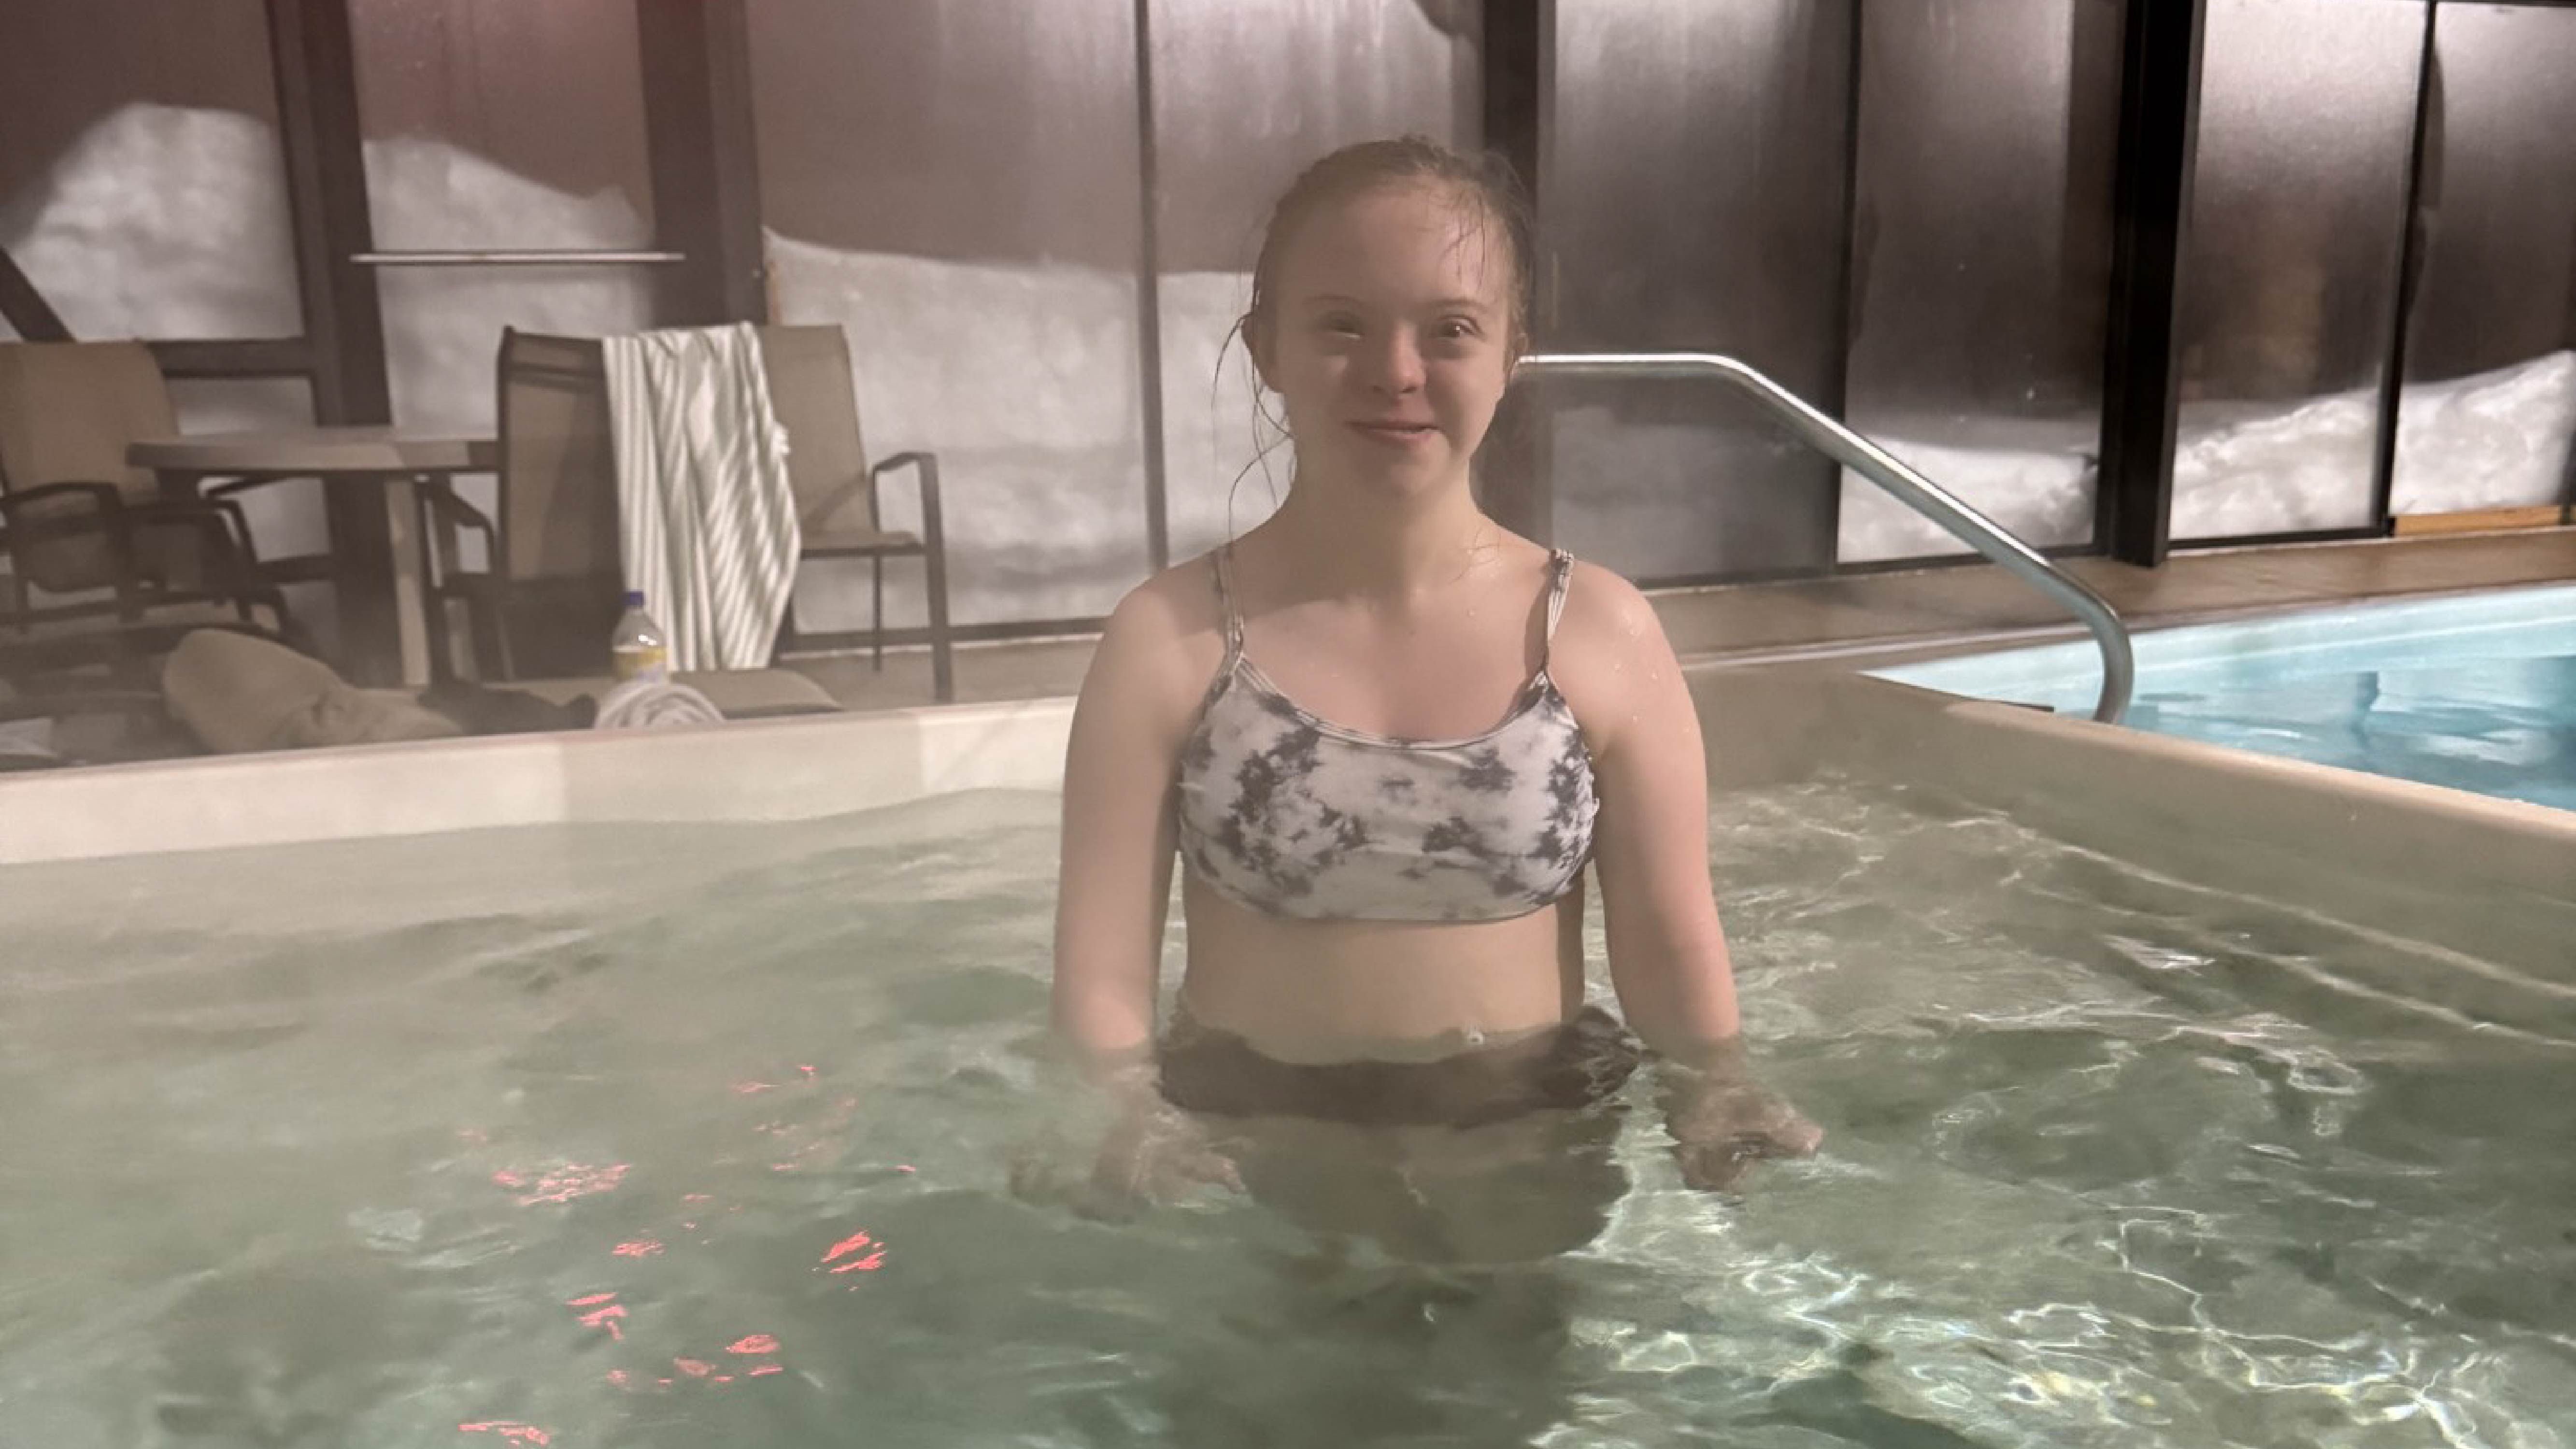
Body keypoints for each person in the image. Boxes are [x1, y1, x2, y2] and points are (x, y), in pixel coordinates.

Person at [1050, 137, 1818, 1258]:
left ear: (1514, 351)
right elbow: (1103, 969)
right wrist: (1124, 1112)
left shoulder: (1597, 632)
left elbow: (1666, 933)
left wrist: (1717, 1086)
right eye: (1341, 324)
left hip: (1533, 1129)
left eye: (1450, 329)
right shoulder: (1168, 643)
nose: (1395, 370)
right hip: (1252, 1137)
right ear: (1266, 344)